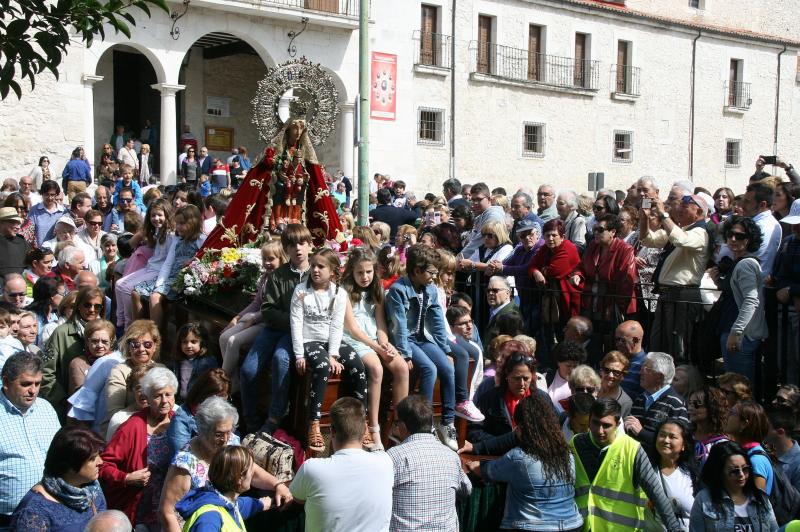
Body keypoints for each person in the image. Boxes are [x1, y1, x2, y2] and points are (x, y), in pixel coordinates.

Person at [162, 397, 291, 532]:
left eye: (229, 431)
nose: (225, 439)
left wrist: (277, 485)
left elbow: (248, 470)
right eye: (219, 434)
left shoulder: (230, 442)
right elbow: (167, 512)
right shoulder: (185, 464)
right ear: (202, 431)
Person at [467, 393, 584, 532]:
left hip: (532, 527)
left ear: (522, 427)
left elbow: (485, 472)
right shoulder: (567, 454)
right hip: (573, 524)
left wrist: (474, 465)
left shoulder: (519, 458)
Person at [291, 247, 368, 452]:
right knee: (323, 366)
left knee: (357, 365)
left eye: (321, 266)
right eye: (313, 265)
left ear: (333, 271)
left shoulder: (339, 293)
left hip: (330, 341)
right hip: (309, 341)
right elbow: (296, 323)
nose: (315, 270)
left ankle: (363, 420)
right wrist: (299, 354)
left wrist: (333, 354)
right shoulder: (301, 291)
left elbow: (336, 326)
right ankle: (314, 422)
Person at [239, 224, 312, 434]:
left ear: (309, 245)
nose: (297, 249)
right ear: (286, 249)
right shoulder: (278, 275)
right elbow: (268, 310)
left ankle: (274, 417)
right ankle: (250, 418)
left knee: (282, 359)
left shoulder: (316, 273)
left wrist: (296, 323)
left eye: (302, 243)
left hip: (298, 334)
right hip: (274, 329)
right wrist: (293, 318)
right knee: (248, 369)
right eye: (291, 245)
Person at [569, 398, 683, 531]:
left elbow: (656, 494)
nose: (600, 431)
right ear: (589, 420)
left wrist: (675, 529)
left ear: (618, 424)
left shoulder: (632, 449)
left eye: (606, 425)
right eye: (595, 423)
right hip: (583, 527)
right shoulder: (575, 444)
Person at [386, 244, 458, 450]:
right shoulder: (398, 290)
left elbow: (436, 321)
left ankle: (447, 422)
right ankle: (423, 426)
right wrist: (406, 354)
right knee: (429, 369)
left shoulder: (431, 290)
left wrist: (445, 349)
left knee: (447, 368)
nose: (434, 277)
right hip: (406, 340)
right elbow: (399, 325)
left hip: (421, 338)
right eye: (431, 272)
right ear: (416, 271)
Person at [290, 397, 394, 532]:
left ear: (332, 431)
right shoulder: (385, 462)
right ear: (364, 430)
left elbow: (297, 500)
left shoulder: (312, 468)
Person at [341, 247, 410, 449]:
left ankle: (400, 423)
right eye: (360, 272)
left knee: (401, 367)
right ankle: (373, 426)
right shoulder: (344, 291)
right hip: (354, 338)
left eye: (369, 272)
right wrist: (375, 347)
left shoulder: (377, 288)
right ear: (352, 272)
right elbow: (352, 328)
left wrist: (385, 343)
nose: (365, 277)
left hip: (373, 336)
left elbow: (380, 324)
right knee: (376, 369)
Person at [100, 367, 177, 527]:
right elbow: (103, 465)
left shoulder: (179, 423)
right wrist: (126, 478)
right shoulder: (132, 426)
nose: (164, 401)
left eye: (168, 394)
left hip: (171, 508)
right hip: (140, 509)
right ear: (147, 398)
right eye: (157, 396)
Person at [640, 193, 710, 363]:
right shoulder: (682, 229)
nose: (679, 209)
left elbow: (680, 240)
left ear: (699, 211)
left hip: (683, 295)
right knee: (658, 342)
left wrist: (663, 214)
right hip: (667, 295)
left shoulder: (701, 232)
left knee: (678, 346)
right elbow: (647, 239)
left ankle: (679, 381)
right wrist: (644, 217)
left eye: (685, 207)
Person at [387, 395, 471, 531]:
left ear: (403, 425)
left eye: (396, 423)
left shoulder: (393, 456)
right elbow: (467, 490)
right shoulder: (451, 456)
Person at [0, 352, 60, 526]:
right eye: (26, 384)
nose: (33, 390)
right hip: (6, 519)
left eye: (37, 383)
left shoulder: (46, 408)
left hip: (49, 513)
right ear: (6, 382)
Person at [10, 426, 106, 531]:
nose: (100, 462)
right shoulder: (33, 512)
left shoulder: (92, 490)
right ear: (70, 466)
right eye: (92, 459)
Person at [132, 204, 206, 329]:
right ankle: (138, 330)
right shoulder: (178, 239)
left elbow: (203, 262)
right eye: (177, 223)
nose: (178, 227)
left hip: (184, 281)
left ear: (193, 222)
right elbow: (168, 263)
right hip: (170, 278)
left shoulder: (201, 240)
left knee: (155, 297)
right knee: (135, 292)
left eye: (182, 223)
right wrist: (159, 284)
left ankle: (155, 337)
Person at [714, 215, 767, 382]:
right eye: (730, 234)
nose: (733, 239)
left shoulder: (746, 264)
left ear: (749, 239)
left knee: (739, 388)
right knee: (734, 386)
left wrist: (736, 332)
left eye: (740, 236)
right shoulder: (738, 262)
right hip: (732, 331)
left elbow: (751, 300)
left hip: (740, 335)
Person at [40, 286, 105, 417]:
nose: (92, 310)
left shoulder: (107, 331)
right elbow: (46, 371)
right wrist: (62, 400)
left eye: (97, 306)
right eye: (87, 305)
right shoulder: (61, 333)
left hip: (101, 404)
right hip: (69, 407)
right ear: (78, 306)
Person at [575, 214, 637, 345]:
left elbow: (626, 280)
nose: (596, 233)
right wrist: (577, 275)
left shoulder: (625, 249)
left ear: (613, 232)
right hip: (593, 301)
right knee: (592, 339)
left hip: (613, 303)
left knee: (612, 341)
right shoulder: (593, 246)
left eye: (600, 230)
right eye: (594, 229)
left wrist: (617, 306)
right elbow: (581, 266)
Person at [176, 446, 272, 531]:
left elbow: (243, 505)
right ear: (239, 478)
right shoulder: (209, 520)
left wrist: (262, 503)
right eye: (251, 471)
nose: (252, 474)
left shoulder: (225, 502)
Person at [689, 440, 778, 531]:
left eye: (745, 469)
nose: (741, 475)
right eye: (734, 471)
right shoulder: (704, 499)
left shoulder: (761, 499)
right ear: (719, 472)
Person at [115, 198, 176, 329]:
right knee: (119, 283)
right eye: (153, 215)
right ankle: (120, 322)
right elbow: (131, 244)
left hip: (159, 270)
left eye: (160, 215)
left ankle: (128, 326)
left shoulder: (171, 235)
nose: (156, 218)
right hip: (151, 266)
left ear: (167, 215)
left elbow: (169, 259)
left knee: (127, 288)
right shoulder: (157, 230)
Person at [469, 351, 552, 444]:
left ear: (532, 377)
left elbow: (553, 429)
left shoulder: (542, 399)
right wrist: (500, 444)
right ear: (507, 375)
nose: (521, 383)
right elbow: (474, 431)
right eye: (516, 378)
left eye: (526, 378)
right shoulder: (490, 398)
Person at [103, 320, 165, 434]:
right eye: (135, 345)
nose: (141, 349)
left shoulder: (161, 369)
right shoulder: (119, 371)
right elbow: (115, 412)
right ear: (129, 347)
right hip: (126, 429)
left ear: (155, 346)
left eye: (147, 344)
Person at [528, 219, 582, 345]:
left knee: (568, 334)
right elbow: (531, 266)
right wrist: (536, 272)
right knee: (552, 333)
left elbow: (555, 271)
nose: (550, 239)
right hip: (553, 299)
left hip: (568, 300)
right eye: (547, 235)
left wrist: (542, 269)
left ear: (562, 236)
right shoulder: (545, 249)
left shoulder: (568, 247)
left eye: (554, 235)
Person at [625, 352, 690, 452]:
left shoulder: (676, 404)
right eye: (642, 368)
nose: (640, 372)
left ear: (659, 376)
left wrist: (642, 432)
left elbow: (678, 443)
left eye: (646, 369)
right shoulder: (640, 399)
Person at [652, 418, 700, 529]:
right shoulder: (645, 470)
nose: (666, 440)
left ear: (684, 445)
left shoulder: (693, 476)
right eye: (662, 435)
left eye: (672, 437)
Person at [725, 400, 775, 496]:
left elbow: (757, 503)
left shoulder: (756, 460)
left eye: (732, 413)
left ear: (744, 424)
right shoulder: (743, 452)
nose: (727, 416)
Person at [740, 181, 782, 277]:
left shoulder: (760, 226)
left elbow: (743, 255)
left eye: (747, 202)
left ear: (762, 205)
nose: (742, 205)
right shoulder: (769, 223)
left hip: (750, 282)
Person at [458, 182, 506, 262]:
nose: (475, 203)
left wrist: (458, 259)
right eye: (473, 200)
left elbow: (478, 241)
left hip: (491, 263)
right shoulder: (483, 214)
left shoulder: (493, 216)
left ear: (489, 199)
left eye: (479, 199)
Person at [66, 318, 115, 395]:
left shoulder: (116, 361)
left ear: (111, 342)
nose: (99, 345)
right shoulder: (78, 364)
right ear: (87, 342)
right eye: (94, 341)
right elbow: (82, 396)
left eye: (104, 341)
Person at [688, 386, 729, 465]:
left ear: (711, 407)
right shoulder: (685, 436)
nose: (690, 408)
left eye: (696, 404)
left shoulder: (722, 445)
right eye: (689, 403)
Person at [766, 408, 800, 492]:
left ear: (780, 432)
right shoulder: (768, 454)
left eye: (766, 427)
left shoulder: (798, 463)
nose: (762, 430)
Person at [545, 340, 587, 408]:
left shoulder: (586, 383)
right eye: (568, 366)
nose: (572, 370)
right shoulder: (545, 378)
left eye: (575, 366)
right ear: (558, 363)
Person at [29, 180, 67, 247]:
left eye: (52, 195)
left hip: (58, 250)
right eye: (47, 194)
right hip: (40, 251)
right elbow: (30, 231)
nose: (50, 198)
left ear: (56, 195)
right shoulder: (34, 211)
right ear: (42, 194)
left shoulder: (63, 211)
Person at [615, 320, 647, 400]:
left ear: (635, 340)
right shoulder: (615, 361)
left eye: (622, 340)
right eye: (616, 340)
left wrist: (615, 390)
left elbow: (643, 398)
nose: (618, 344)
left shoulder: (646, 366)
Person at [597, 350, 633, 418]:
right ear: (601, 371)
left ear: (623, 376)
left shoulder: (625, 402)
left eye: (616, 372)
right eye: (607, 370)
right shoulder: (590, 389)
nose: (610, 375)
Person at [0, 206, 29, 278]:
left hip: (21, 284)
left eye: (18, 223)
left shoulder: (22, 242)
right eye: (13, 222)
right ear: (1, 223)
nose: (18, 227)